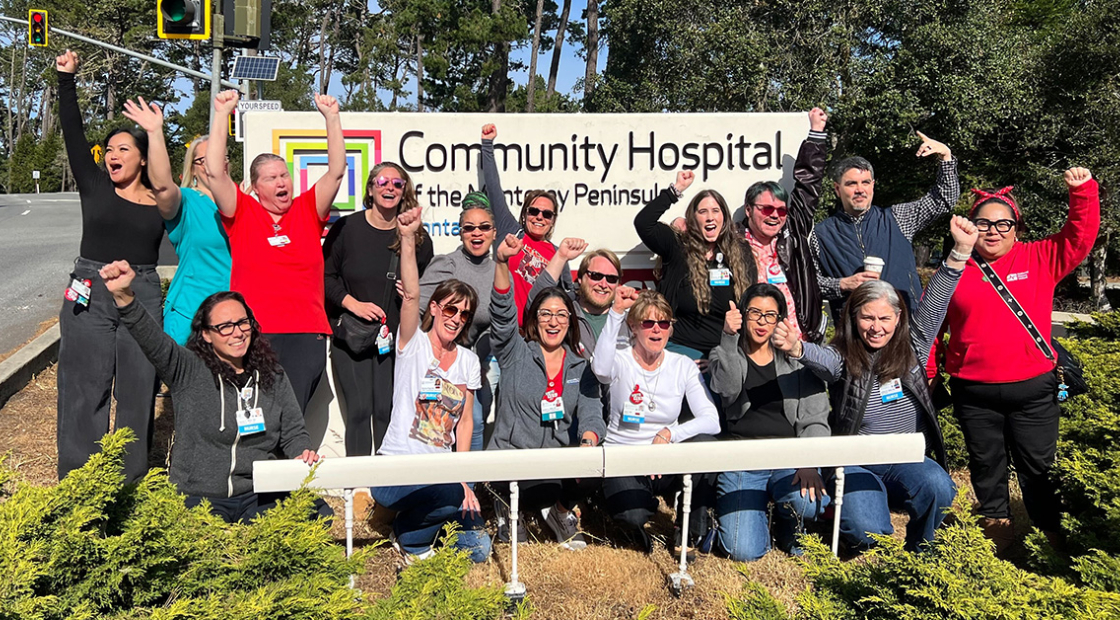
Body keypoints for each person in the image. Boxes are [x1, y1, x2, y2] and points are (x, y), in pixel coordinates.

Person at [774, 216, 979, 552]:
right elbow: (823, 361)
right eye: (867, 317)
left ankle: (920, 551)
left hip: (906, 458)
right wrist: (796, 348)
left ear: (898, 318)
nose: (876, 327)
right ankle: (861, 523)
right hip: (857, 461)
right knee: (868, 532)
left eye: (885, 318)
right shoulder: (843, 353)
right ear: (854, 318)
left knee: (940, 488)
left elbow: (938, 298)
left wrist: (960, 251)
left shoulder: (915, 342)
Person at [98, 261, 329, 524]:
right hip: (198, 497)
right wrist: (123, 296)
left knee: (317, 513)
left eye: (243, 323)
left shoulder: (272, 376)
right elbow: (153, 340)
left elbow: (293, 432)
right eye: (225, 327)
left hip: (257, 494)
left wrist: (302, 451)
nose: (237, 333)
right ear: (207, 335)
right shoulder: (188, 370)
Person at [945, 167, 1099, 553]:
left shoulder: (1041, 256)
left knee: (1039, 468)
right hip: (974, 392)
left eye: (1003, 224)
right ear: (971, 227)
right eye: (984, 223)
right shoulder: (954, 269)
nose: (993, 231)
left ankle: (1050, 535)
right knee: (986, 465)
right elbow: (931, 326)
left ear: (1017, 228)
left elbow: (1079, 238)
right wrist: (931, 375)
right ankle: (997, 530)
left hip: (1032, 389)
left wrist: (1082, 193)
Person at [55, 50, 165, 482]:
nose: (113, 156)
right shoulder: (95, 185)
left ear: (142, 158)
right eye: (111, 150)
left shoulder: (163, 201)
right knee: (84, 387)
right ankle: (80, 489)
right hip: (90, 287)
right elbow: (73, 133)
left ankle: (128, 485)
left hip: (142, 293)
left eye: (124, 149)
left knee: (139, 390)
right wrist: (66, 79)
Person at [205, 89, 346, 414]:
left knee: (292, 416)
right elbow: (215, 173)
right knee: (257, 416)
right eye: (271, 178)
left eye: (284, 175)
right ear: (255, 187)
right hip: (255, 334)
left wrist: (332, 118)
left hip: (305, 333)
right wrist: (222, 113)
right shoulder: (242, 212)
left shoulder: (307, 209)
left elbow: (336, 171)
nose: (281, 182)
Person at [373, 207, 490, 563]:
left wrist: (465, 479)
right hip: (397, 468)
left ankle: (422, 525)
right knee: (448, 497)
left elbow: (466, 422)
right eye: (451, 310)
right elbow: (409, 296)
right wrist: (407, 239)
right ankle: (412, 540)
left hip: (443, 472)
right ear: (435, 308)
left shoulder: (468, 361)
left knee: (478, 550)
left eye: (465, 314)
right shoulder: (413, 344)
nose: (457, 319)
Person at [487, 234, 606, 550]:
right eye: (545, 314)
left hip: (554, 463)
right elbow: (501, 312)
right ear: (534, 319)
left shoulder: (581, 366)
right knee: (513, 486)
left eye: (561, 314)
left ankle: (559, 512)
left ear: (571, 320)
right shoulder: (515, 352)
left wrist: (588, 441)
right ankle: (507, 511)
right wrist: (501, 262)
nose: (553, 322)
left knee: (594, 467)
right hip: (512, 462)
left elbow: (593, 412)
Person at [706, 284, 831, 561]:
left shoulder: (797, 361)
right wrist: (728, 337)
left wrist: (809, 460)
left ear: (780, 320)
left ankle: (790, 524)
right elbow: (726, 389)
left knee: (806, 503)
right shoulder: (724, 353)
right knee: (742, 550)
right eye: (755, 313)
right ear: (742, 315)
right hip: (743, 459)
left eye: (770, 315)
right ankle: (762, 518)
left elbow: (815, 419)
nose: (762, 322)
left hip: (789, 457)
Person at [592, 287, 721, 552]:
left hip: (665, 455)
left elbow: (712, 421)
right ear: (633, 327)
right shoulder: (620, 359)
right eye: (648, 323)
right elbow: (600, 369)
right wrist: (616, 312)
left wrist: (670, 435)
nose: (656, 330)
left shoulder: (682, 364)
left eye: (663, 323)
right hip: (625, 457)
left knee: (706, 445)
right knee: (633, 515)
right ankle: (632, 508)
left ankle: (688, 529)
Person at [324, 163, 434, 463]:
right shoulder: (347, 229)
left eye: (398, 184)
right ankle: (357, 492)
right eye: (383, 181)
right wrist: (352, 303)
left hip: (395, 339)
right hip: (352, 337)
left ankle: (385, 495)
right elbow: (325, 277)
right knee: (359, 411)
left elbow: (425, 290)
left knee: (387, 411)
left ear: (404, 192)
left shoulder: (417, 239)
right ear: (370, 189)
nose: (390, 188)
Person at [810, 133, 958, 321]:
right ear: (837, 189)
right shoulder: (820, 234)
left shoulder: (897, 218)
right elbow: (809, 285)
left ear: (873, 185)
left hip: (904, 326)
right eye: (851, 184)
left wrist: (946, 157)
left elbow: (943, 200)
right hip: (854, 335)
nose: (859, 190)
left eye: (865, 183)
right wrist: (843, 284)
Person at [123, 105, 231, 346]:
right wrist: (155, 133)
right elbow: (162, 187)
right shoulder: (187, 201)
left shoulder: (241, 203)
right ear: (192, 168)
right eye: (204, 160)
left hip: (233, 320)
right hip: (192, 317)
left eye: (220, 156)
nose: (213, 164)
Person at [634, 170, 756, 370]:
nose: (710, 217)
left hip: (727, 349)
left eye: (716, 211)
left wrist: (724, 356)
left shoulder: (740, 251)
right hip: (682, 350)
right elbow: (643, 223)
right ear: (692, 219)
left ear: (724, 218)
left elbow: (751, 301)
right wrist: (676, 190)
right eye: (703, 212)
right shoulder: (677, 247)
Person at [419, 192, 499, 452]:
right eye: (469, 228)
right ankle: (447, 484)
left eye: (484, 227)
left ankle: (470, 488)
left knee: (477, 421)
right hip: (443, 361)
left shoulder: (499, 270)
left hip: (481, 364)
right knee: (467, 420)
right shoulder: (447, 265)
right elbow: (418, 310)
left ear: (494, 232)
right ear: (460, 232)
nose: (477, 234)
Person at [740, 108, 829, 343]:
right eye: (767, 209)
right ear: (748, 210)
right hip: (754, 348)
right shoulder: (732, 242)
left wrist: (816, 134)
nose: (775, 216)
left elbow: (808, 185)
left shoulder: (793, 232)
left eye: (781, 210)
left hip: (799, 342)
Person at [480, 123, 574, 324]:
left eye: (547, 214)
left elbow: (568, 297)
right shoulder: (512, 232)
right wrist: (487, 144)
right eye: (534, 211)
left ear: (552, 221)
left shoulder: (559, 254)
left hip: (539, 332)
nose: (539, 217)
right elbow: (494, 188)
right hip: (506, 326)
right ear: (525, 214)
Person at [528, 241, 624, 356]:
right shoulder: (564, 315)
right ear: (580, 278)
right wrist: (561, 257)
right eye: (596, 276)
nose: (603, 284)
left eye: (611, 279)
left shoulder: (631, 323)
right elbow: (536, 303)